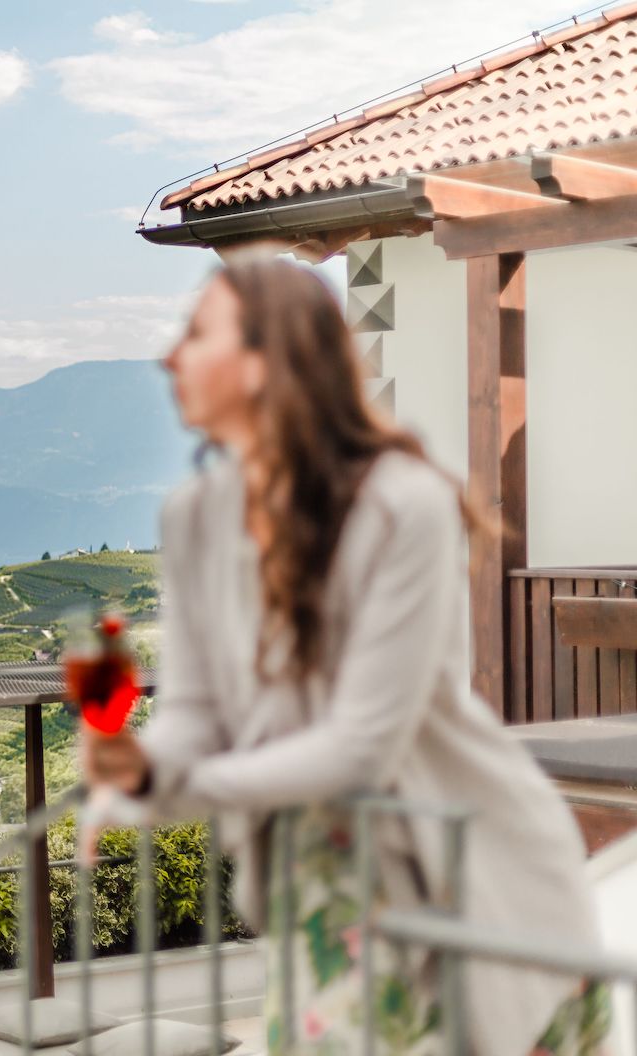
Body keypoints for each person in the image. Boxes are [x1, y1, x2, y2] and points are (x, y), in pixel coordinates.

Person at [84, 249, 608, 1055]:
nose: (168, 355)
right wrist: (137, 771)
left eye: (196, 333)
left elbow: (363, 747)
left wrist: (176, 784)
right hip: (320, 888)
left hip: (469, 872)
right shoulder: (194, 516)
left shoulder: (405, 503)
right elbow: (193, 715)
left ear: (264, 362)